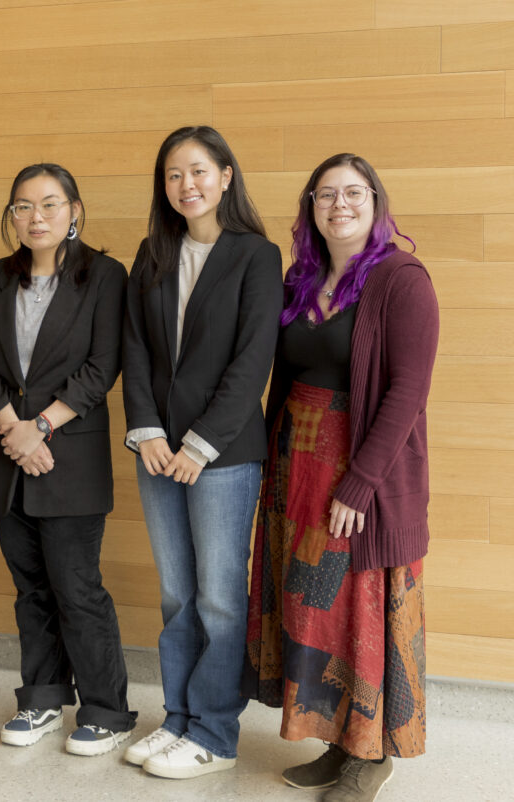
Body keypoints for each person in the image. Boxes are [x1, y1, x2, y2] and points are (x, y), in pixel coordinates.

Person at [243, 154, 436, 802]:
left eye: (353, 192)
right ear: (310, 208)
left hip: (360, 476)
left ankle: (371, 755)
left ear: (376, 201)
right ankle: (336, 741)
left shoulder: (402, 280)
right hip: (294, 469)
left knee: (362, 607)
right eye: (326, 194)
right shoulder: (302, 279)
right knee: (313, 611)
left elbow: (408, 390)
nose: (340, 204)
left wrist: (360, 484)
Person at [121, 125, 282, 778]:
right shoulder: (152, 252)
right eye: (173, 175)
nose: (186, 185)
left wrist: (201, 443)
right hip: (157, 452)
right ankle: (179, 719)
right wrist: (149, 430)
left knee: (219, 599)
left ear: (225, 176)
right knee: (176, 597)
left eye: (198, 171)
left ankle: (214, 734)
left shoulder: (256, 255)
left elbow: (252, 362)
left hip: (225, 453)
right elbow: (133, 347)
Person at [0, 164, 136, 756]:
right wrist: (13, 428)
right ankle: (40, 698)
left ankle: (107, 710)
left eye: (49, 204)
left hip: (70, 456)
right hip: (6, 453)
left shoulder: (106, 276)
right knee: (29, 586)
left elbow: (103, 366)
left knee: (76, 585)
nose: (35, 217)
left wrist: (40, 428)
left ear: (74, 212)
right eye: (22, 206)